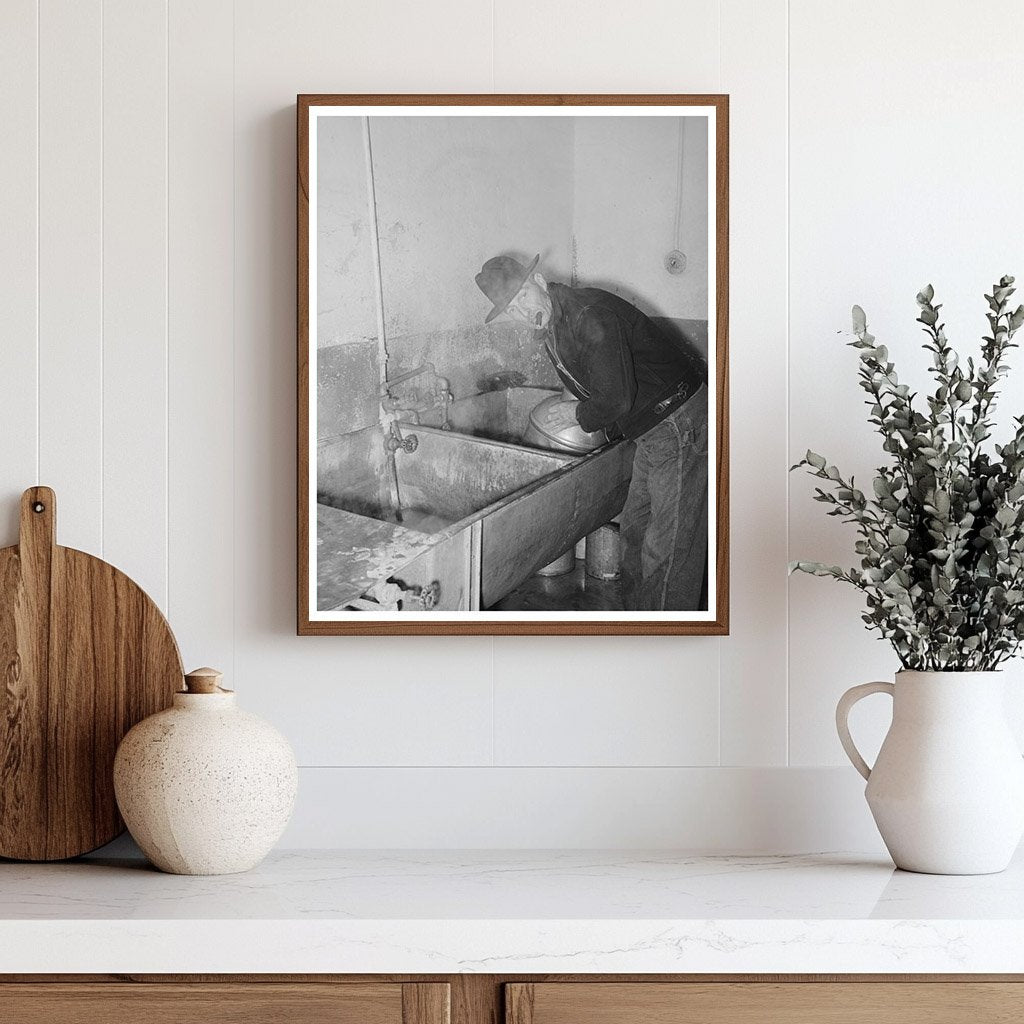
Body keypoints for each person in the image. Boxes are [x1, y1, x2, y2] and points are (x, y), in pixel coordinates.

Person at [474, 253, 708, 611]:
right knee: (635, 531)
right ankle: (641, 621)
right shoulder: (553, 323)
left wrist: (573, 413)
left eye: (521, 297)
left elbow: (614, 399)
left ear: (537, 281)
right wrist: (568, 411)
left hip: (677, 420)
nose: (520, 313)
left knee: (670, 543)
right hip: (650, 426)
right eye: (510, 309)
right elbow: (585, 383)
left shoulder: (587, 314)